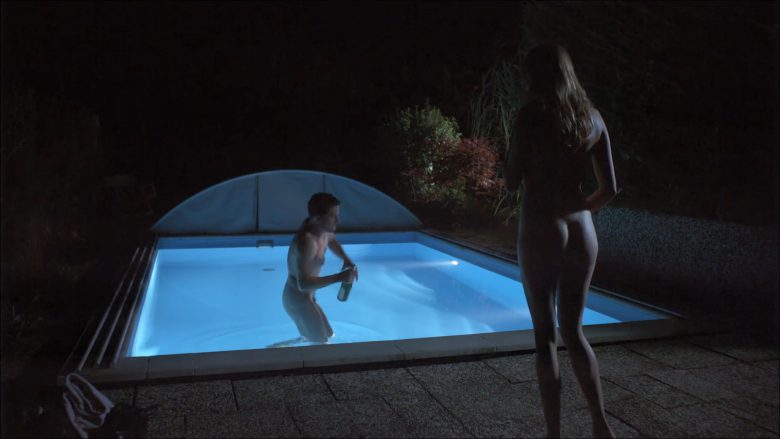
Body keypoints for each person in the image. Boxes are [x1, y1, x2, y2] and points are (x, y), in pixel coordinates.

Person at [504, 44, 618, 438]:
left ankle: (554, 434)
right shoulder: (594, 118)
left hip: (542, 224)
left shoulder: (531, 116)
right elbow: (610, 189)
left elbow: (511, 179)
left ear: (534, 76)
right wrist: (579, 209)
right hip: (582, 227)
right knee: (575, 331)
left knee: (545, 337)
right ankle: (601, 425)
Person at [282, 192, 358, 344]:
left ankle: (290, 343)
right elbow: (303, 284)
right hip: (297, 299)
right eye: (333, 216)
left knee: (329, 335)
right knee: (321, 344)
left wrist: (346, 259)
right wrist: (339, 277)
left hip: (308, 297)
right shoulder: (307, 242)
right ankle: (276, 351)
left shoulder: (322, 229)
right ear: (317, 218)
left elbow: (332, 241)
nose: (338, 220)